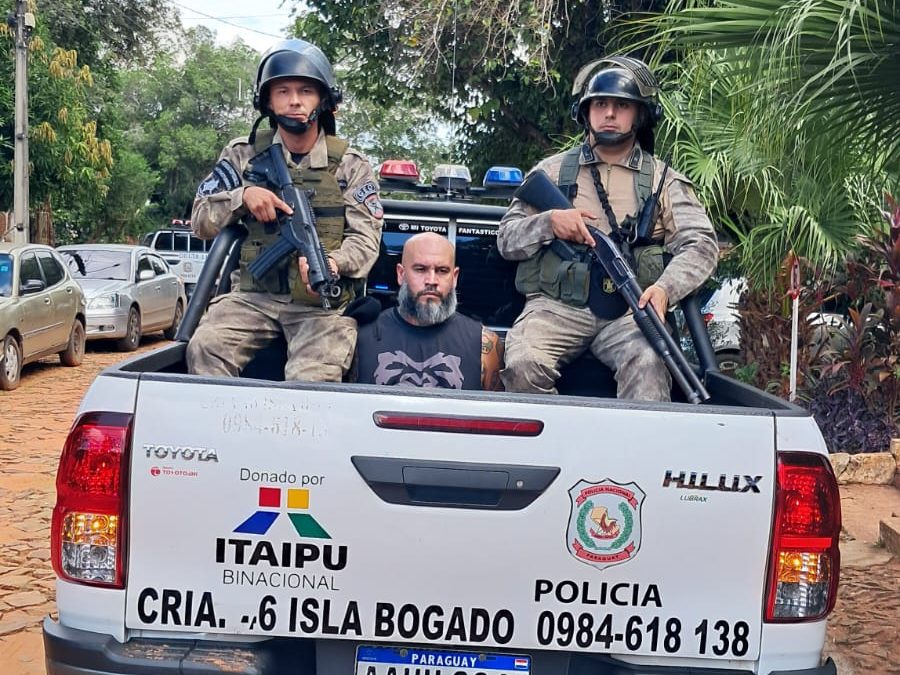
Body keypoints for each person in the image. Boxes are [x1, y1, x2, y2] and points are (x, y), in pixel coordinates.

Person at [497, 56, 718, 400]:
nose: (610, 113)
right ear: (586, 112)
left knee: (649, 362)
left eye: (621, 105)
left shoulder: (663, 180)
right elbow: (506, 239)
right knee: (523, 362)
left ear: (640, 115)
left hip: (630, 311)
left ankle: (635, 454)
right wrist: (550, 222)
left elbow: (701, 245)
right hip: (556, 308)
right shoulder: (552, 172)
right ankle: (555, 449)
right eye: (600, 104)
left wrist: (663, 290)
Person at [186, 39, 383, 381]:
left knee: (311, 381)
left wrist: (333, 263)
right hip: (251, 297)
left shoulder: (351, 167)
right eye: (283, 91)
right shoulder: (242, 155)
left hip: (320, 307)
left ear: (323, 100)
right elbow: (200, 220)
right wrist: (242, 197)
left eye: (306, 90)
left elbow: (366, 242)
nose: (294, 101)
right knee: (205, 346)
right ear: (268, 101)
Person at [355, 232, 504, 390]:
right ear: (401, 274)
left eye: (442, 271)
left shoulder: (483, 343)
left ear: (454, 277)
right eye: (420, 269)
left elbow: (493, 412)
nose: (431, 281)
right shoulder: (361, 337)